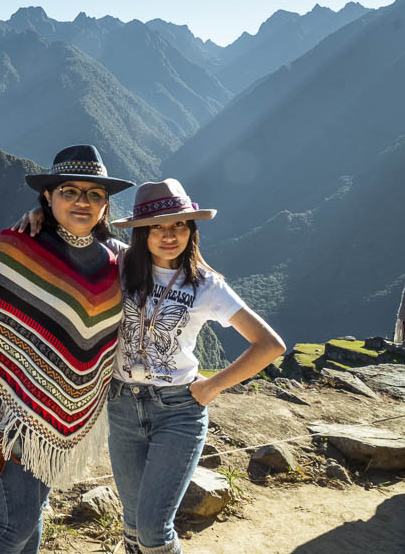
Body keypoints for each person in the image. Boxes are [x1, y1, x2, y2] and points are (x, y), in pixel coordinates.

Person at [16, 178, 285, 554]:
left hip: (178, 412)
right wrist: (38, 216)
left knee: (154, 532)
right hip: (123, 408)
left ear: (191, 229)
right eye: (156, 226)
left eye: (178, 224)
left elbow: (269, 344)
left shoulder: (207, 286)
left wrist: (212, 386)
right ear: (141, 233)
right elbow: (72, 231)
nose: (168, 234)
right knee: (132, 522)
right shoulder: (121, 262)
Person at [0, 144, 134, 554]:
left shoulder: (118, 261)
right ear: (48, 197)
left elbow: (167, 264)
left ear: (106, 206)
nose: (82, 201)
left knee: (32, 516)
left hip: (60, 415)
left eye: (94, 194)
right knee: (13, 524)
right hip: (7, 410)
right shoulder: (16, 248)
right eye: (70, 191)